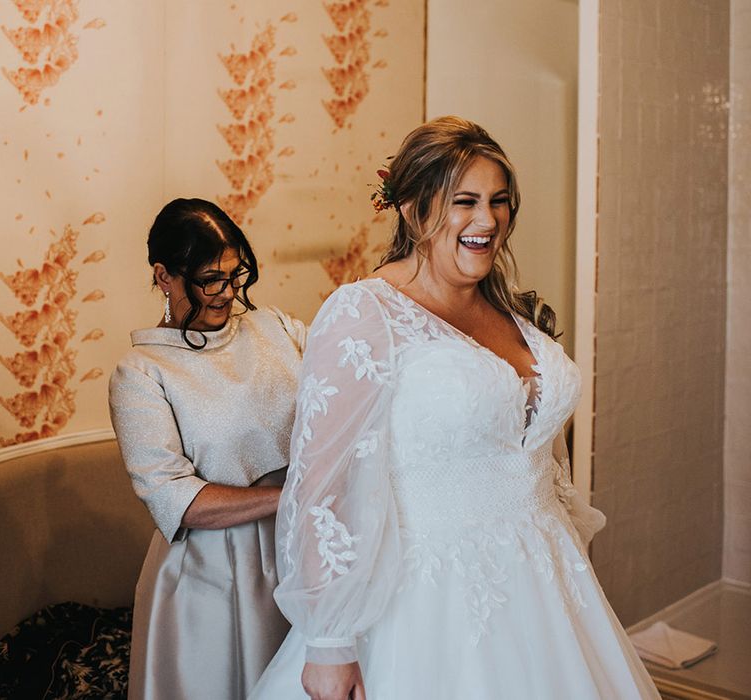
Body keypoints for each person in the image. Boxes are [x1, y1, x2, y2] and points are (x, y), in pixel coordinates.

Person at [250, 117, 659, 699]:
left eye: (499, 202)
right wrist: (330, 641)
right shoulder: (365, 314)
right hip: (426, 604)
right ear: (414, 210)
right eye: (464, 202)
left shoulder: (514, 311)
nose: (488, 221)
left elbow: (541, 456)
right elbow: (325, 483)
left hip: (547, 588)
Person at [108, 198, 306, 699]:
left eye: (236, 275)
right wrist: (294, 495)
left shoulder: (278, 329)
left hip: (302, 547)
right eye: (209, 280)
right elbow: (177, 499)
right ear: (163, 276)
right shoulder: (141, 372)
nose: (227, 293)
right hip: (213, 576)